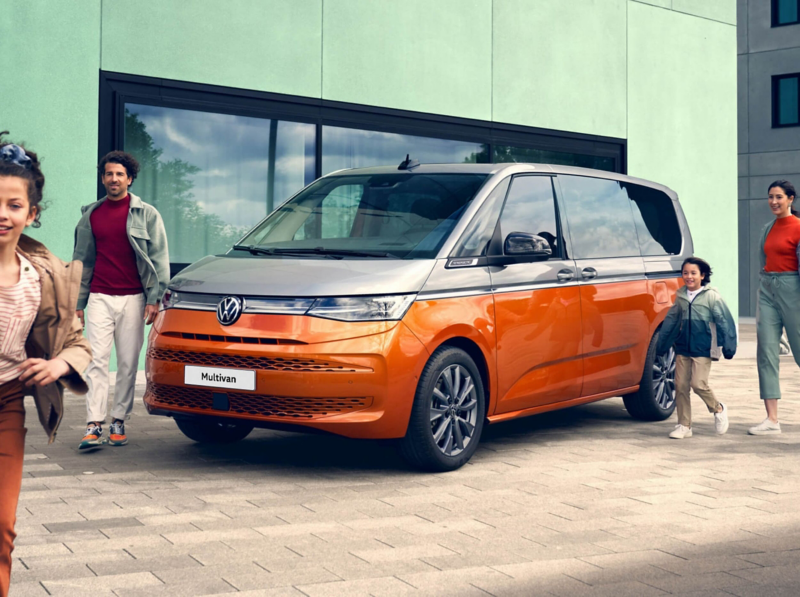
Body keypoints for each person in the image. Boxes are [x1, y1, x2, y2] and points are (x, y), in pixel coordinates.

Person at [0, 135, 92, 597]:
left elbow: (78, 342)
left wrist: (57, 366)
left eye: (14, 205)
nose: (2, 214)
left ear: (31, 214)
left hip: (6, 404)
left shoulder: (46, 275)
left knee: (2, 524)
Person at [73, 151, 169, 448]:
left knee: (127, 363)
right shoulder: (91, 214)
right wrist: (78, 302)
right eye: (108, 174)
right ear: (102, 178)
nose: (113, 179)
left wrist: (154, 298)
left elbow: (159, 259)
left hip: (134, 299)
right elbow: (82, 260)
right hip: (100, 296)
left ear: (129, 178)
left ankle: (118, 420)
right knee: (97, 361)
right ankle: (93, 424)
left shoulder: (147, 214)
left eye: (119, 174)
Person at [657, 257, 737, 439]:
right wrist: (663, 344)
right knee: (681, 386)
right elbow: (671, 321)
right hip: (683, 347)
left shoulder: (712, 297)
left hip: (703, 348)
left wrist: (729, 346)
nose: (689, 277)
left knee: (698, 384)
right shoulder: (681, 297)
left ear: (702, 275)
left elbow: (724, 321)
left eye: (693, 273)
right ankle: (684, 425)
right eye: (685, 273)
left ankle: (718, 408)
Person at [750, 180, 800, 435]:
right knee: (767, 352)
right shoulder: (767, 228)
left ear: (791, 199)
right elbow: (764, 258)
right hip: (768, 289)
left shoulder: (799, 227)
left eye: (779, 197)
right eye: (770, 197)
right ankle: (772, 420)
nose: (773, 201)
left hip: (794, 290)